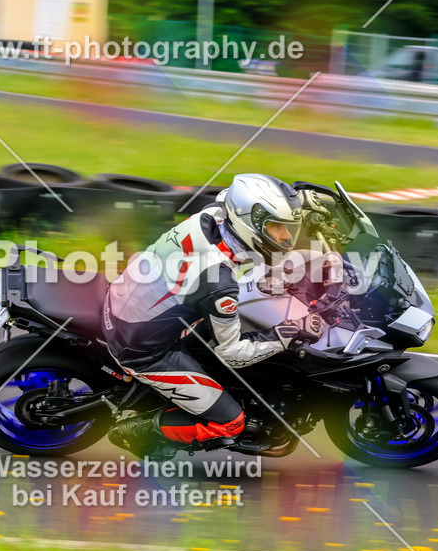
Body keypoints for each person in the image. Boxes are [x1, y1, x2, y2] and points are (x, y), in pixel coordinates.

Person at [102, 173, 330, 458]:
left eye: (289, 228)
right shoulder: (219, 284)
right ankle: (137, 430)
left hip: (130, 299)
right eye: (276, 227)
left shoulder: (213, 216)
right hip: (142, 348)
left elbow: (231, 196)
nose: (286, 238)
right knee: (229, 423)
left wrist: (296, 204)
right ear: (249, 223)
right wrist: (289, 332)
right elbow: (233, 354)